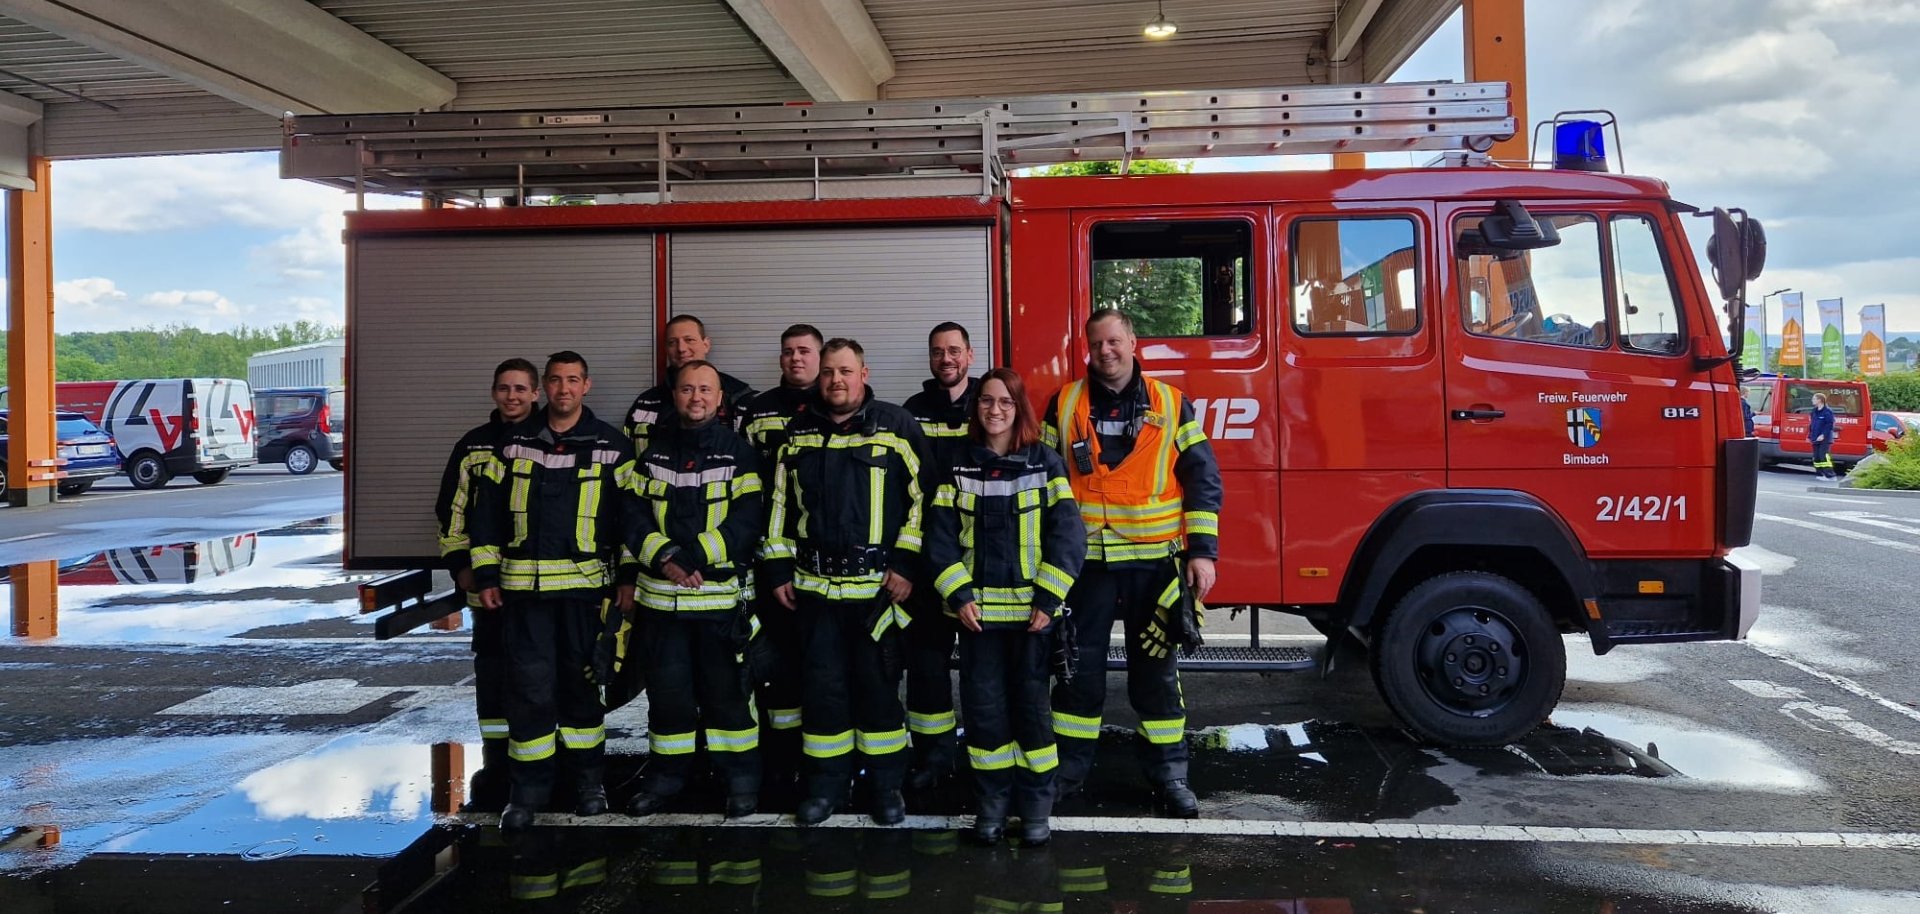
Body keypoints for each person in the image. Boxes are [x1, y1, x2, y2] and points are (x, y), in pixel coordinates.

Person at [1042, 308, 1222, 818]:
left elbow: (1202, 477)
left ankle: (1170, 776)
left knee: (1157, 674)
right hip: (1086, 569)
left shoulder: (1171, 402)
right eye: (1097, 344)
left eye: (1114, 341)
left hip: (1155, 567)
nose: (1106, 352)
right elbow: (1044, 479)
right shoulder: (1064, 401)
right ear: (1087, 348)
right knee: (1076, 673)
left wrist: (1203, 552)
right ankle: (1068, 774)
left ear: (1133, 342)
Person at [762, 338, 928, 825]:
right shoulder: (797, 433)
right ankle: (826, 787)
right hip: (814, 593)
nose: (836, 380)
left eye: (846, 371)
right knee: (823, 691)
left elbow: (926, 499)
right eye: (829, 372)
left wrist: (906, 564)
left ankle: (885, 788)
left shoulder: (896, 425)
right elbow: (778, 507)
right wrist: (775, 568)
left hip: (876, 593)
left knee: (877, 689)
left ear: (863, 373)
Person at [469, 351, 636, 829]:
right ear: (545, 387)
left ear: (587, 386)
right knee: (529, 692)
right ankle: (528, 793)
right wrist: (485, 575)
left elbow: (631, 519)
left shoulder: (612, 446)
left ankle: (588, 785)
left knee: (583, 690)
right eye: (556, 381)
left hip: (585, 596)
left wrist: (626, 579)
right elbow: (486, 515)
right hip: (523, 596)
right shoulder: (514, 443)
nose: (564, 390)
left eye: (573, 381)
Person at [926, 367, 1084, 847]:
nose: (995, 410)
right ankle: (992, 805)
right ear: (976, 408)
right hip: (978, 623)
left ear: (1020, 409)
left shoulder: (1045, 463)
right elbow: (939, 539)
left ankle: (1036, 807)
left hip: (1033, 622)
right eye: (986, 401)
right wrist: (958, 594)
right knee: (985, 713)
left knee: (1033, 713)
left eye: (1005, 402)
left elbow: (1068, 535)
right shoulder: (957, 464)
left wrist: (1049, 597)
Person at [624, 360, 767, 819]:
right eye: (687, 389)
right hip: (661, 608)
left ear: (720, 397)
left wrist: (695, 558)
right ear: (675, 396)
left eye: (705, 389)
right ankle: (667, 779)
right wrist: (665, 555)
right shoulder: (652, 456)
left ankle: (740, 782)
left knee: (728, 698)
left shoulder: (741, 454)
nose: (696, 398)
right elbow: (630, 515)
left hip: (720, 607)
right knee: (668, 699)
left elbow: (749, 520)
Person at [434, 357, 541, 812]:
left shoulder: (551, 440)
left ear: (536, 393)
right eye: (504, 389)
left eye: (520, 389)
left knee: (536, 669)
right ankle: (496, 759)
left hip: (538, 583)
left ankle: (535, 756)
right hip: (486, 582)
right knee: (493, 669)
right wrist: (461, 564)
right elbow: (450, 510)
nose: (512, 397)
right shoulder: (474, 445)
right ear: (494, 393)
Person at [738, 323, 825, 775]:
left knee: (823, 661)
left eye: (805, 351)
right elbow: (751, 488)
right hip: (772, 556)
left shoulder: (839, 407)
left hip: (825, 559)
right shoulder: (759, 411)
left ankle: (820, 751)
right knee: (777, 661)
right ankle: (783, 754)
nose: (796, 359)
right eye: (789, 352)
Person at [899, 321, 982, 788]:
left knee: (980, 670)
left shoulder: (989, 405)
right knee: (927, 669)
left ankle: (981, 754)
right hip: (929, 564)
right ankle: (933, 758)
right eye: (937, 352)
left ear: (970, 354)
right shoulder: (912, 411)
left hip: (978, 566)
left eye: (954, 350)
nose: (945, 358)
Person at [625, 314, 757, 452]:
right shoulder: (645, 404)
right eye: (672, 342)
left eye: (689, 340)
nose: (681, 348)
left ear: (706, 345)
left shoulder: (739, 395)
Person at [1809, 392, 1837, 479]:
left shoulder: (1827, 411)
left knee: (1823, 456)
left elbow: (1829, 425)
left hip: (1824, 438)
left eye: (1814, 399)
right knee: (1816, 456)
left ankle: (1830, 475)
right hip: (1815, 437)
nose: (1812, 400)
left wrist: (1823, 435)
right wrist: (1809, 435)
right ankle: (1820, 473)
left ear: (1819, 400)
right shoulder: (1814, 411)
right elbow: (1812, 424)